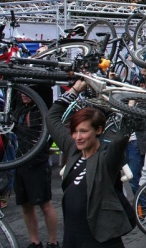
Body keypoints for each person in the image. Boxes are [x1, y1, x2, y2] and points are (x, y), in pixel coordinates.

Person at [45, 79, 134, 247]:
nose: (78, 137)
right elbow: (51, 118)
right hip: (73, 237)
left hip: (100, 240)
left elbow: (121, 138)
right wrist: (74, 90)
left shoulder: (107, 157)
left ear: (99, 130)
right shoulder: (73, 149)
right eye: (74, 131)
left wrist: (125, 102)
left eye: (84, 131)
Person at [14, 88, 59, 248]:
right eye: (22, 92)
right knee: (26, 205)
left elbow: (44, 86)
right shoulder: (18, 107)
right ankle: (35, 242)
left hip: (38, 163)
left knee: (45, 205)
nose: (23, 94)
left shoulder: (43, 107)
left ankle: (53, 242)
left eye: (28, 92)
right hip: (20, 162)